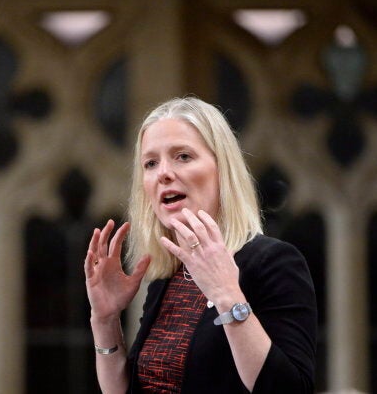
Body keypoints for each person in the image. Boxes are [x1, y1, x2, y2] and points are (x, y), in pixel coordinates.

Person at [84, 97, 317, 393]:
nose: (164, 173)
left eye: (183, 156)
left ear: (222, 169)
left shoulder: (272, 262)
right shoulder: (169, 275)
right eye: (151, 163)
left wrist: (228, 296)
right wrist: (105, 319)